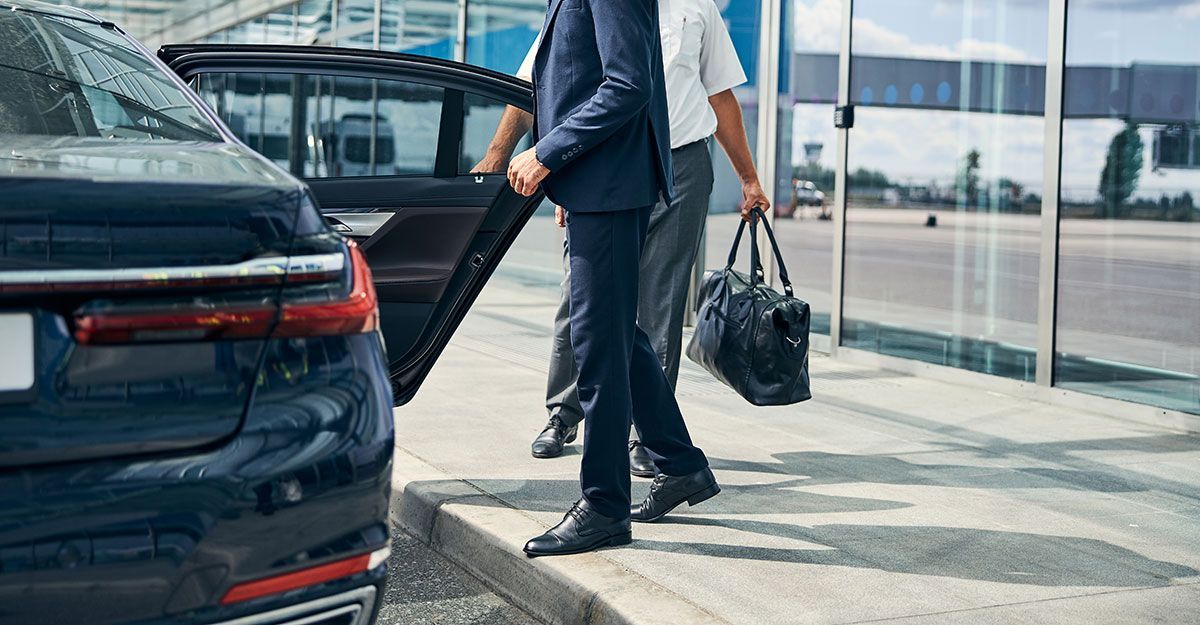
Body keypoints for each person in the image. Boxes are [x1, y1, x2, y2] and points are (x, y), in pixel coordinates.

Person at [474, 0, 768, 478]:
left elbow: (719, 97)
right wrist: (504, 156)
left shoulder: (698, 10)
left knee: (659, 303)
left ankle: (646, 443)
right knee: (585, 305)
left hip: (678, 164)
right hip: (600, 167)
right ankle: (566, 414)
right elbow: (540, 85)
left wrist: (749, 179)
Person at [505, 0, 721, 557]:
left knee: (598, 345)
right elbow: (571, 78)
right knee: (617, 336)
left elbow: (628, 85)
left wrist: (549, 154)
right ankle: (680, 465)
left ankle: (603, 507)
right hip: (597, 184)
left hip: (610, 186)